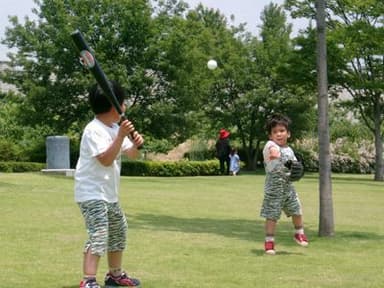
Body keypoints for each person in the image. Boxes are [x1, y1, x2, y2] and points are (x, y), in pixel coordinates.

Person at [74, 81, 144, 288]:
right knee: (99, 233)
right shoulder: (93, 130)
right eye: (123, 103)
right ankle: (87, 281)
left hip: (109, 194)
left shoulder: (114, 128)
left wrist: (136, 144)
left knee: (118, 230)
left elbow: (131, 154)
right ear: (115, 107)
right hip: (91, 193)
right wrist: (121, 135)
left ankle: (114, 274)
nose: (125, 108)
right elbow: (105, 159)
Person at [260, 114, 307, 255]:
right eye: (275, 132)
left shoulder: (290, 150)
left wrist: (297, 171)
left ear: (288, 133)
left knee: (296, 209)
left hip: (287, 186)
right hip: (274, 187)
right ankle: (269, 242)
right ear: (270, 135)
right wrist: (275, 153)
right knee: (272, 215)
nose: (278, 134)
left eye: (282, 131)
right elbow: (273, 151)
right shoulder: (270, 145)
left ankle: (299, 233)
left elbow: (293, 167)